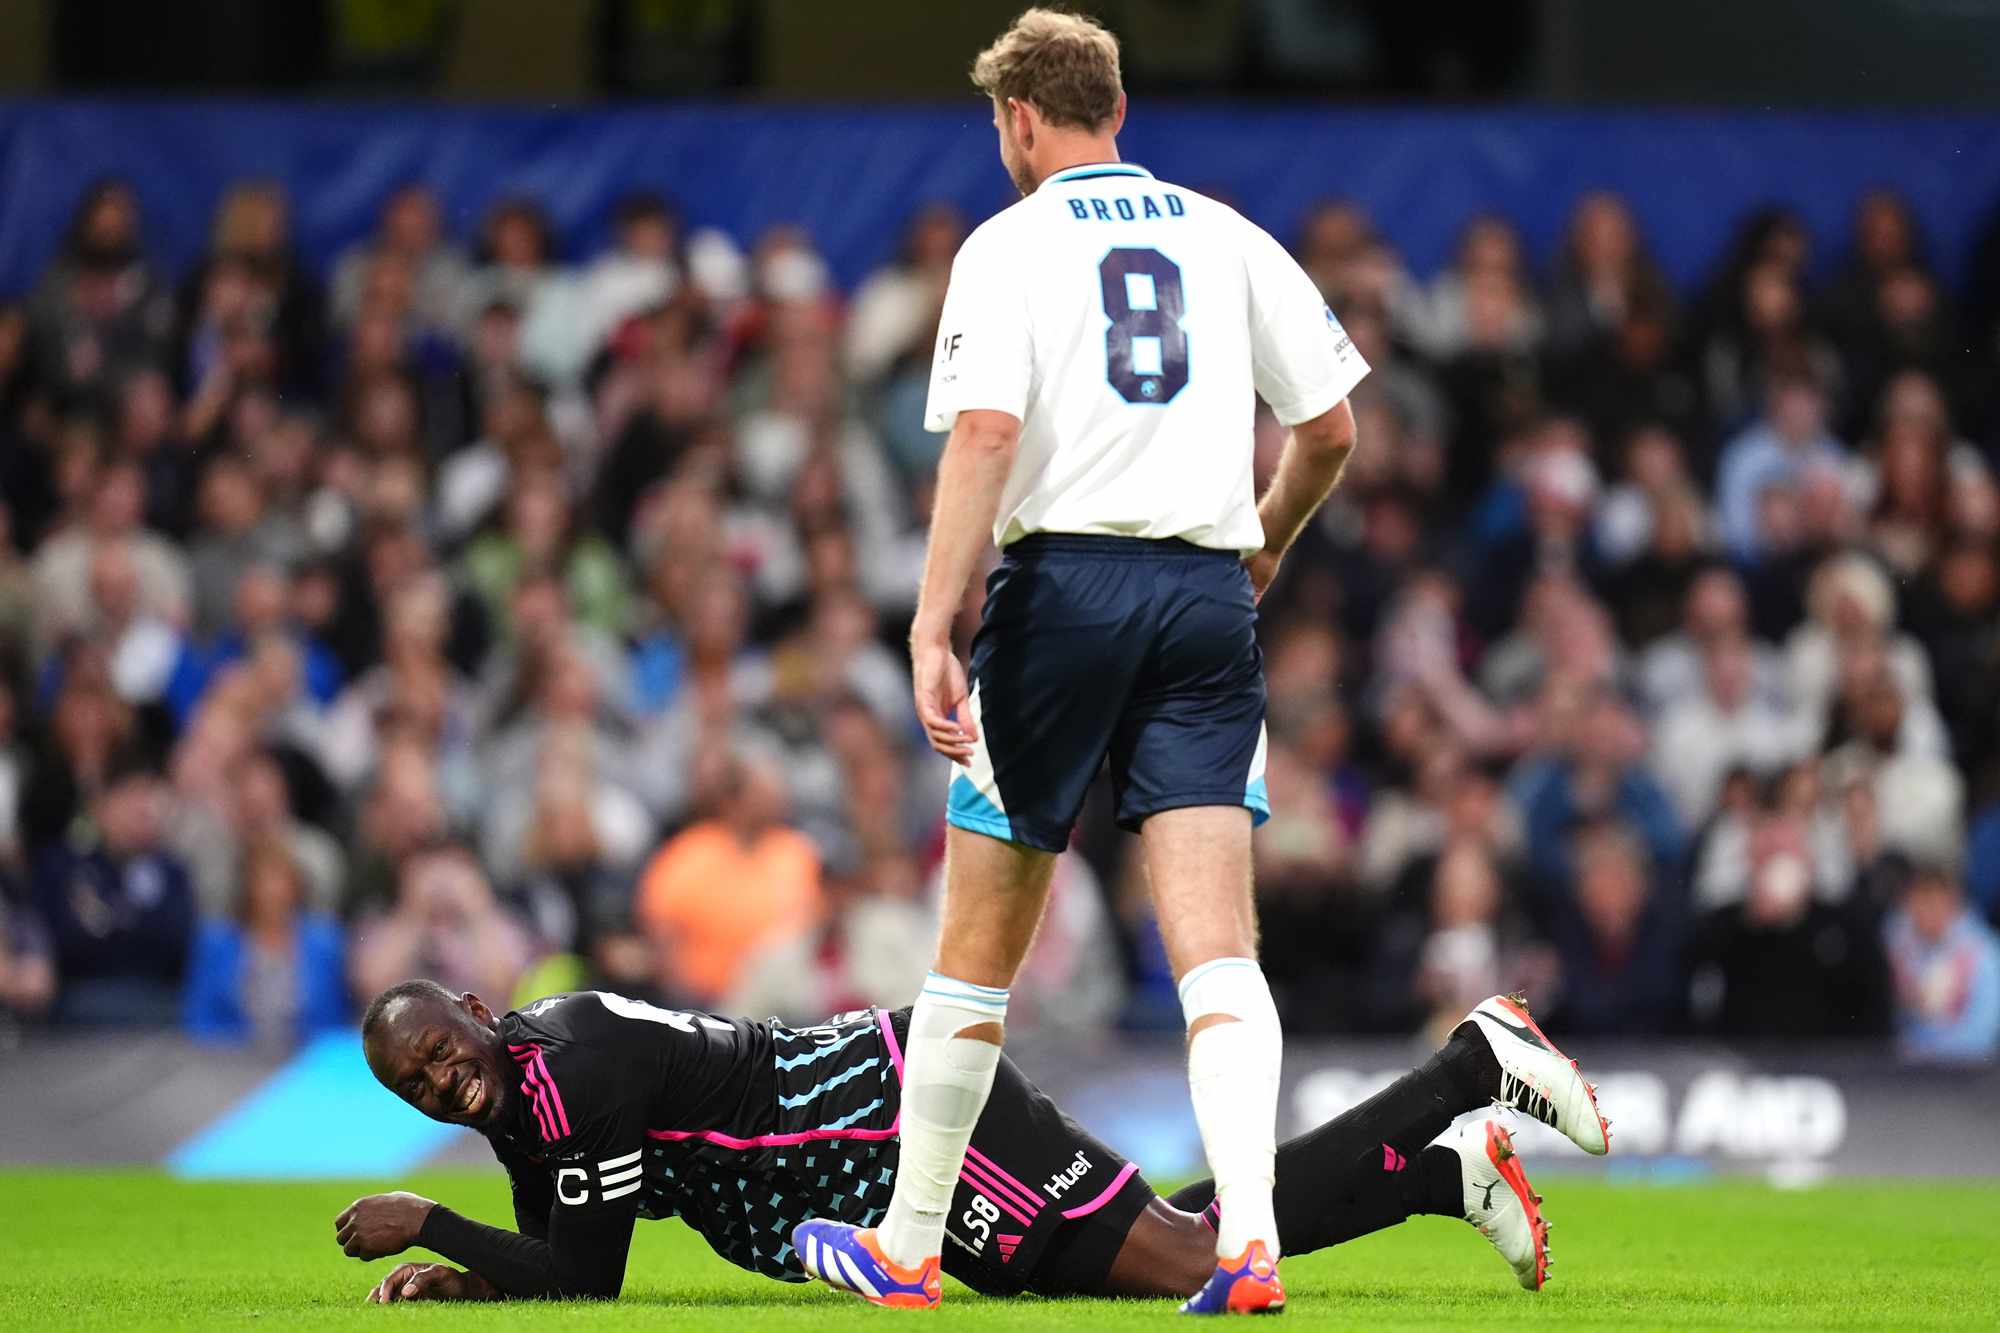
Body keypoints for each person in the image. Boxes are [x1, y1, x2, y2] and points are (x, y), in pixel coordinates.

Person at [796, 11, 1590, 1315]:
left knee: (974, 953)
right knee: (1220, 953)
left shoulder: (1008, 246)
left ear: (1020, 120)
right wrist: (1262, 547)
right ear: (1117, 109)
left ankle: (907, 1245)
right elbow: (1330, 426)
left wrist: (935, 622)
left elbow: (986, 433)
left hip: (1061, 593)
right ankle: (1252, 1246)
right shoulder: (1225, 236)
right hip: (1204, 602)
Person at [334, 983, 1614, 1304]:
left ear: (477, 1010)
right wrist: (472, 1271)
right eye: (418, 1085)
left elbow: (591, 1279)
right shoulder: (527, 1082)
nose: (445, 1083)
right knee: (1163, 1250)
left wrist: (433, 1224)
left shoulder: (575, 1072)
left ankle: (1472, 1061)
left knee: (1207, 1269)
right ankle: (1443, 1169)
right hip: (869, 1162)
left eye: (444, 1051)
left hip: (895, 1124)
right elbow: (561, 1245)